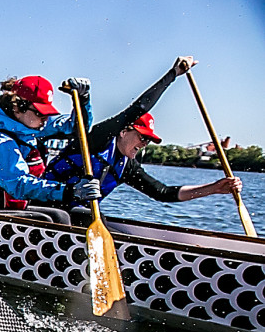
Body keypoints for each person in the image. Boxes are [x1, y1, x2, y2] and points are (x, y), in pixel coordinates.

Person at [43, 57, 242, 222]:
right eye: (142, 137)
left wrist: (214, 188)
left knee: (96, 220)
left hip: (77, 215)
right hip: (44, 206)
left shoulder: (127, 167)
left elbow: (163, 192)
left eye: (148, 141)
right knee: (86, 218)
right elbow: (139, 108)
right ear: (123, 131)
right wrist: (173, 74)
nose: (144, 144)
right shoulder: (97, 140)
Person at [0, 74, 99, 225]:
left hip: (8, 204)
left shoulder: (30, 123)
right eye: (41, 113)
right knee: (58, 219)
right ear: (17, 108)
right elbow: (18, 185)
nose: (45, 120)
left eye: (48, 114)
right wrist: (69, 191)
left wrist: (82, 100)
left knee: (77, 215)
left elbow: (77, 129)